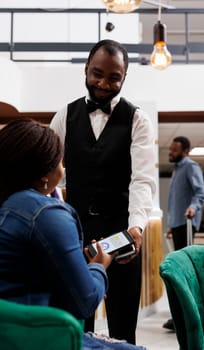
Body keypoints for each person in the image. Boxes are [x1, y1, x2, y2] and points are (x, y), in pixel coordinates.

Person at [0, 118, 147, 350]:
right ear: (45, 172)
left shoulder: (8, 205)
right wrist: (98, 266)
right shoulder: (48, 213)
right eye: (61, 159)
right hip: (41, 334)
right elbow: (85, 301)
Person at [50, 39, 156, 344]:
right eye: (97, 73)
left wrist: (135, 227)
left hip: (122, 236)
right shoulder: (64, 115)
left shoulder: (137, 119)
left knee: (123, 327)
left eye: (114, 77)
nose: (103, 83)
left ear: (124, 77)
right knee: (74, 324)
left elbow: (143, 181)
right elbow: (49, 173)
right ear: (85, 69)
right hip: (74, 235)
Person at [163, 136, 204, 330]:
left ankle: (188, 316)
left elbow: (200, 193)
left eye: (174, 150)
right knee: (179, 270)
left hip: (187, 223)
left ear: (185, 151)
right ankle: (181, 314)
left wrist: (193, 208)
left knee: (184, 271)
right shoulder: (177, 170)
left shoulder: (191, 166)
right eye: (170, 149)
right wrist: (172, 224)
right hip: (178, 224)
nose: (170, 152)